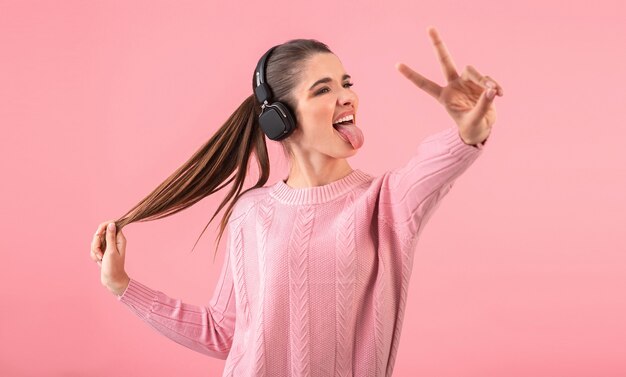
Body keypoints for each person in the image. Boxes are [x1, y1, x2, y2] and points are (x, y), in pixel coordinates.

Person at [89, 26, 503, 376]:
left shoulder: (387, 203)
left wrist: (469, 132)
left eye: (347, 83)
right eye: (323, 89)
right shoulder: (251, 214)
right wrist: (122, 286)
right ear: (279, 118)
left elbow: (436, 166)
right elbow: (223, 332)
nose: (346, 97)